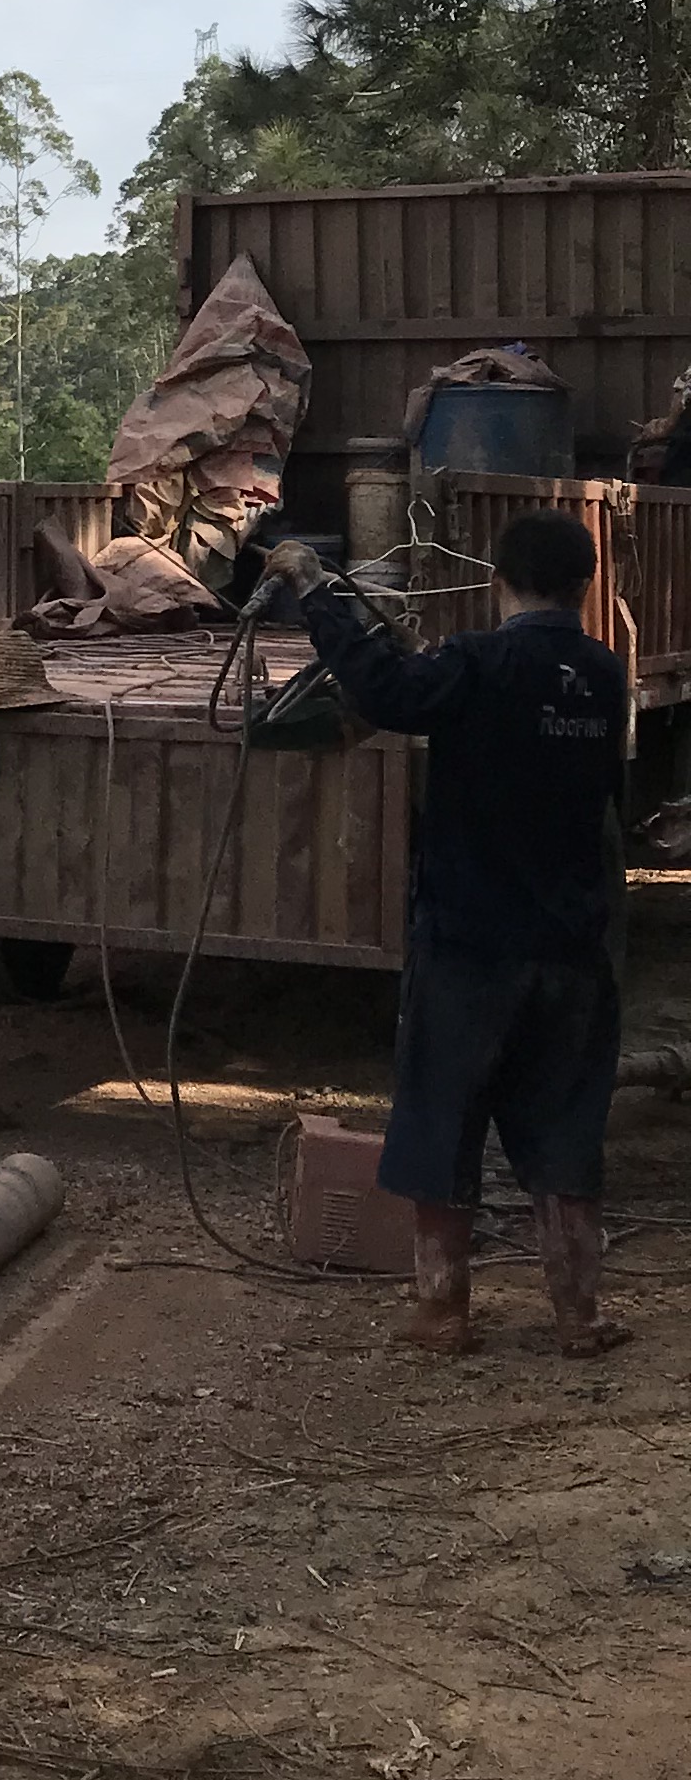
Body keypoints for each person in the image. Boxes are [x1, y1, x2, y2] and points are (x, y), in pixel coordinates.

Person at [265, 507, 629, 1356]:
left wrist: (317, 593)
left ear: (499, 580)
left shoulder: (477, 663)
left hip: (471, 944)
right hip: (572, 947)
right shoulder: (605, 675)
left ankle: (443, 1312)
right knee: (566, 1128)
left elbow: (388, 695)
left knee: (444, 1119)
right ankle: (579, 1316)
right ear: (585, 587)